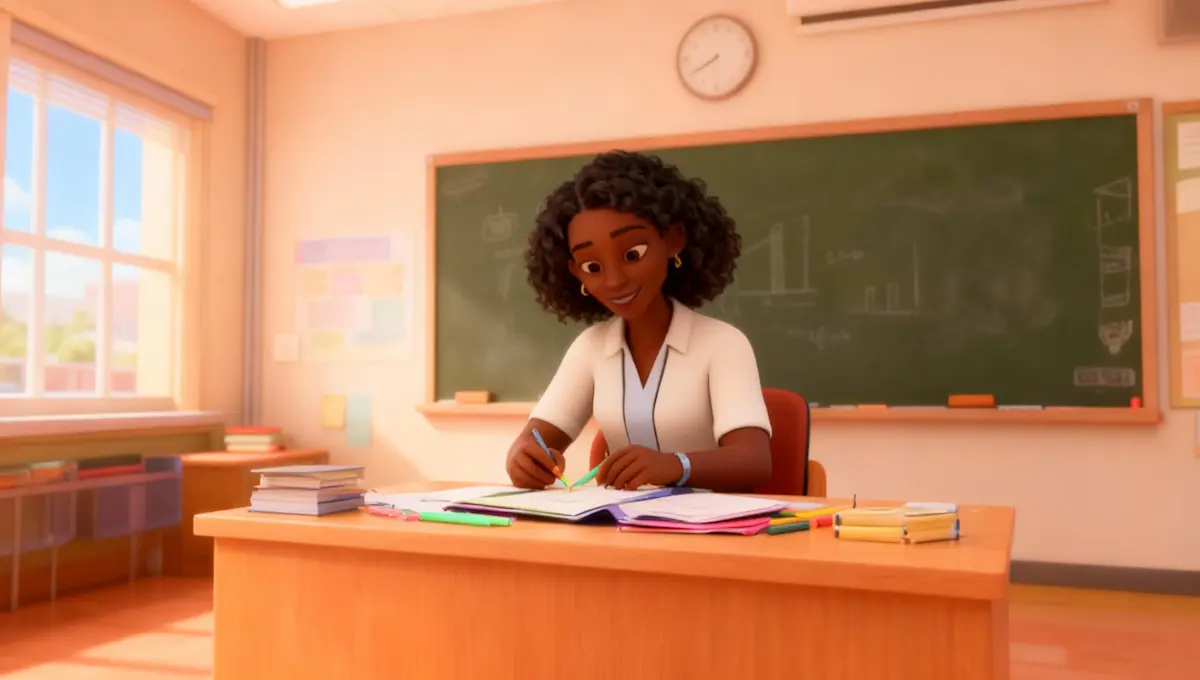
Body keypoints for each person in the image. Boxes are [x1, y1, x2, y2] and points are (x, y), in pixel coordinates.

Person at [504, 150, 773, 493]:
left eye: (633, 255)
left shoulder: (723, 343)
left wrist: (675, 465)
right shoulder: (591, 348)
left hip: (709, 521)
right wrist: (522, 457)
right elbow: (532, 441)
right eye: (592, 267)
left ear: (672, 241)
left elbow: (754, 461)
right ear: (575, 272)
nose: (614, 280)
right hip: (618, 520)